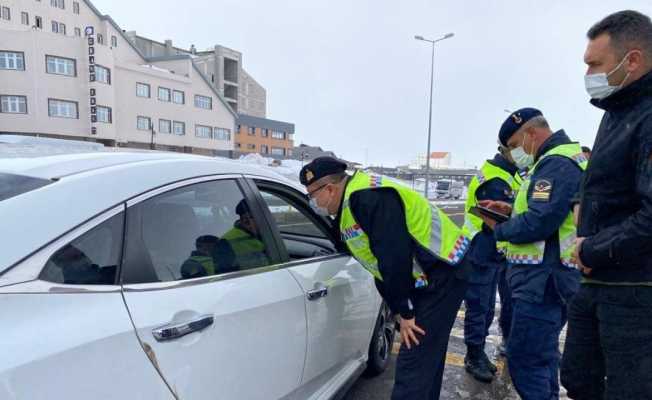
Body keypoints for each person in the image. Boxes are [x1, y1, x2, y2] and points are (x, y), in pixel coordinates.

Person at [299, 157, 471, 400]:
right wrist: (399, 308)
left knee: (414, 359)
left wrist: (406, 310)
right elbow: (378, 264)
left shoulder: (367, 197)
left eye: (311, 195)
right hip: (429, 275)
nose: (312, 202)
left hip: (443, 271)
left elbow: (394, 256)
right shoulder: (349, 205)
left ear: (329, 189)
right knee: (426, 356)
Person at [560, 10, 652, 400]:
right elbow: (607, 180)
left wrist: (592, 248)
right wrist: (583, 201)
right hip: (598, 279)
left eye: (595, 64)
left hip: (635, 287)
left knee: (629, 391)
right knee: (578, 379)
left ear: (632, 60)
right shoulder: (618, 111)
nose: (588, 75)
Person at [478, 108, 585, 400]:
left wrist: (499, 229)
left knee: (526, 358)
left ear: (531, 134)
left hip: (542, 281)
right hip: (548, 277)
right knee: (543, 356)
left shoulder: (555, 164)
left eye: (514, 145)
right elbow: (549, 213)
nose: (514, 153)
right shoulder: (559, 160)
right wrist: (510, 210)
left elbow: (540, 222)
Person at [461, 148, 519, 383]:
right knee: (479, 307)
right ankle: (473, 355)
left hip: (490, 251)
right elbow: (498, 220)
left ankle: (479, 351)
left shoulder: (505, 174)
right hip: (481, 250)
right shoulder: (496, 178)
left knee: (485, 308)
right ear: (509, 150)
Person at [218, 200, 269, 271]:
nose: (266, 221)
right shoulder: (225, 242)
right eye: (262, 217)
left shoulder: (267, 233)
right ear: (245, 220)